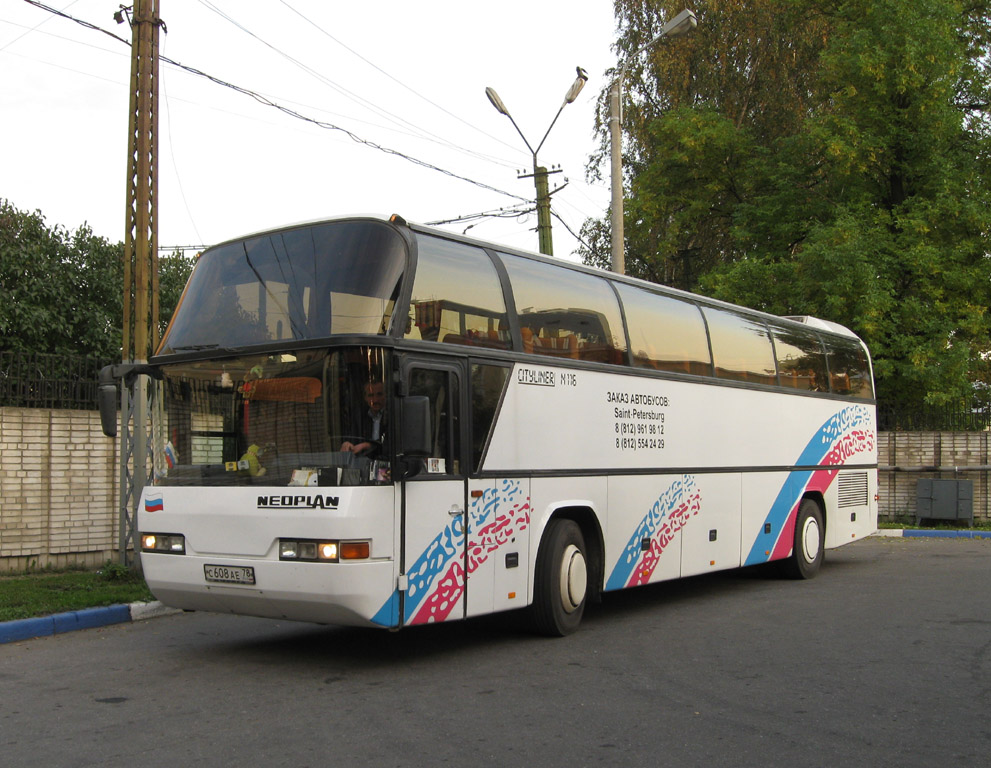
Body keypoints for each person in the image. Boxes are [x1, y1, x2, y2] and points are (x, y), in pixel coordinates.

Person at [341, 379, 387, 456]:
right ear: (365, 397)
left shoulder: (392, 416)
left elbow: (391, 446)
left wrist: (367, 445)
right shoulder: (359, 418)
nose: (375, 400)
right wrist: (346, 443)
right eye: (371, 395)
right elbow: (352, 438)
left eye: (379, 394)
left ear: (385, 395)